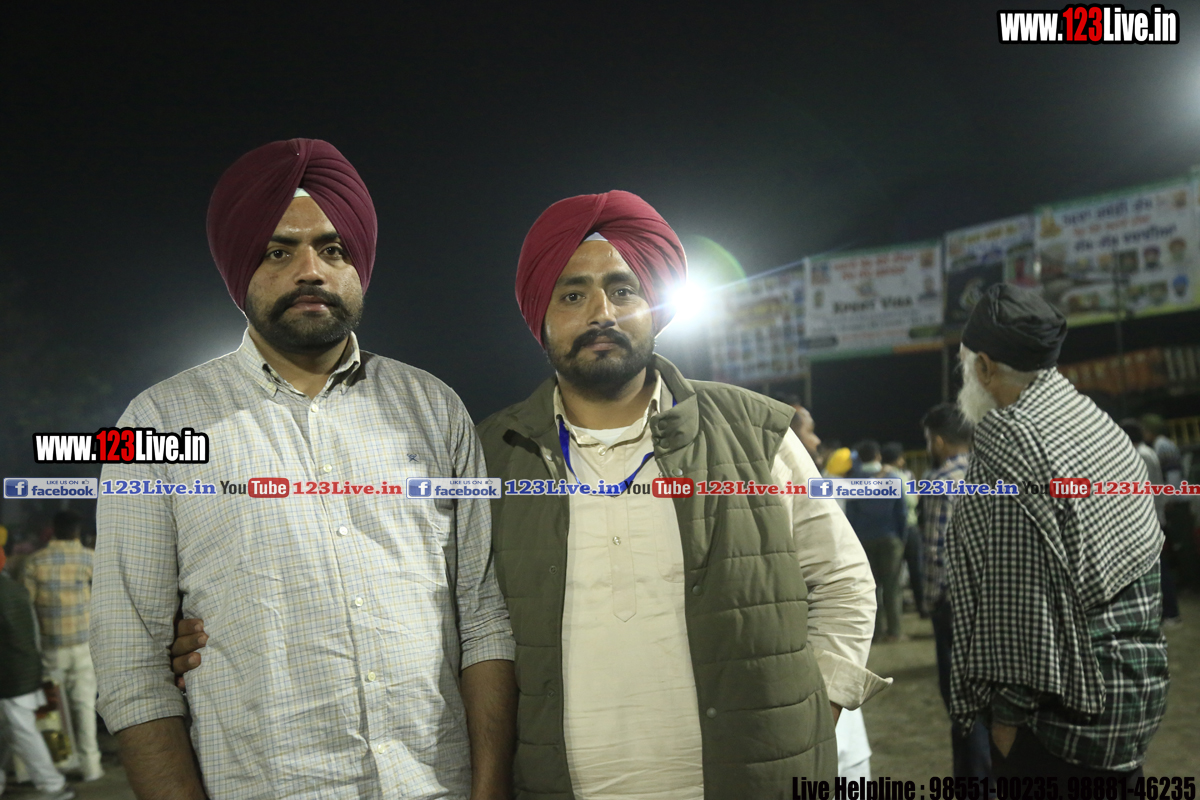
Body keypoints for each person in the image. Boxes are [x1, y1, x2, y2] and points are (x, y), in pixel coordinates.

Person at [91, 139, 516, 800]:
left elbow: (482, 617)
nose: (311, 270)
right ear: (240, 268)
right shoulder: (155, 423)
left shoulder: (433, 407)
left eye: (333, 249)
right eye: (278, 252)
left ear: (359, 266)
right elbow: (131, 661)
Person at [476, 191, 886, 797]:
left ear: (655, 307)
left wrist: (811, 713)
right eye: (573, 295)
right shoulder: (493, 454)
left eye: (624, 290)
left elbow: (843, 581)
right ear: (541, 315)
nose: (602, 313)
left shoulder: (755, 432)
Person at [950, 284, 1167, 780]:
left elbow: (1015, 600)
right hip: (1134, 691)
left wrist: (1006, 720)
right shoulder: (1096, 422)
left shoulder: (1010, 437)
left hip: (1060, 719)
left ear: (984, 366)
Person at [920, 403, 989, 780]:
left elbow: (936, 552)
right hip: (997, 600)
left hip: (956, 605)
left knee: (964, 704)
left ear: (939, 441)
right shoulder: (993, 473)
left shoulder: (940, 481)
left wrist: (932, 602)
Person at [22, 510, 103, 782]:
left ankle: (63, 762)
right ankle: (91, 767)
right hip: (83, 646)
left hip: (51, 649)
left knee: (53, 709)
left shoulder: (36, 561)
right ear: (77, 532)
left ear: (53, 530)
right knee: (84, 706)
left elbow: (27, 607)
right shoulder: (91, 558)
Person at [0, 547, 76, 800]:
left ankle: (54, 786)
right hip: (24, 669)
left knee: (22, 731)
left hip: (11, 677)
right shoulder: (15, 589)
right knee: (11, 730)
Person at [845, 441, 907, 642]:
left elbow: (850, 515)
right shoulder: (892, 478)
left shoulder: (853, 481)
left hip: (864, 539)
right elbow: (901, 512)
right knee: (892, 586)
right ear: (878, 456)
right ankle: (895, 631)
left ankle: (876, 632)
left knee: (871, 587)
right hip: (890, 538)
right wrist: (902, 537)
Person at [1120, 420, 1179, 625]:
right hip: (1153, 518)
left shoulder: (1140, 455)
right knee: (1155, 568)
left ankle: (1170, 612)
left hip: (1148, 520)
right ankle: (1164, 612)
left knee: (1157, 569)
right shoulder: (1147, 452)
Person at [881, 442, 921, 615]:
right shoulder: (903, 476)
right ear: (897, 459)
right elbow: (912, 501)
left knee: (892, 574)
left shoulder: (877, 475)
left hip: (887, 529)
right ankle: (921, 605)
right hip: (908, 526)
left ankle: (893, 609)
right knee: (916, 568)